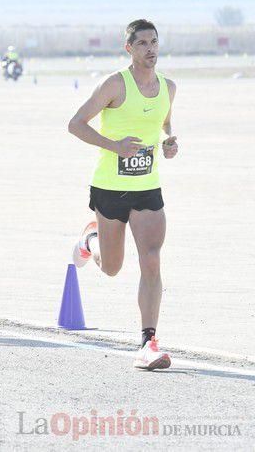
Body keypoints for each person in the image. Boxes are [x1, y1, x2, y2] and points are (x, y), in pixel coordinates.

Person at [68, 19, 178, 370]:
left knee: (152, 259)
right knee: (112, 267)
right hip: (110, 188)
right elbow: (76, 124)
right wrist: (114, 145)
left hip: (148, 188)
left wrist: (169, 141)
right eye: (142, 43)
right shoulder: (115, 84)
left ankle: (148, 341)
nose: (150, 49)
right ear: (128, 48)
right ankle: (90, 239)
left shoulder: (168, 87)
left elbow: (162, 121)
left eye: (154, 42)